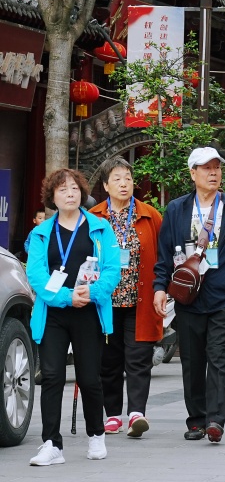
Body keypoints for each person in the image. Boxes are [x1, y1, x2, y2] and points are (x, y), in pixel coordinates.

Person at [153, 147, 225, 443]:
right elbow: (164, 255)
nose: (214, 173)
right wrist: (159, 288)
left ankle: (215, 420)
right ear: (193, 173)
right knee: (192, 361)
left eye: (217, 167)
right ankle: (196, 419)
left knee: (220, 356)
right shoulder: (177, 209)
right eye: (206, 168)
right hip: (188, 295)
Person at [26, 169, 120, 466]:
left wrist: (91, 295)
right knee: (52, 377)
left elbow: (112, 270)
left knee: (89, 377)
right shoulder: (41, 232)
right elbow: (36, 275)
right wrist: (67, 297)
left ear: (82, 193)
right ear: (52, 197)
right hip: (53, 313)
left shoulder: (101, 228)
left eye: (74, 189)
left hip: (88, 312)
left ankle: (96, 434)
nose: (70, 193)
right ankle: (52, 444)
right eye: (63, 189)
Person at [89, 157, 162, 438]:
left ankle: (136, 414)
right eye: (117, 179)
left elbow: (163, 254)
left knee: (139, 357)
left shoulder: (149, 215)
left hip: (139, 298)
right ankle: (112, 415)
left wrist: (161, 287)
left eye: (128, 179)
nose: (124, 183)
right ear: (106, 185)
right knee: (109, 359)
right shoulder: (94, 217)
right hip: (105, 301)